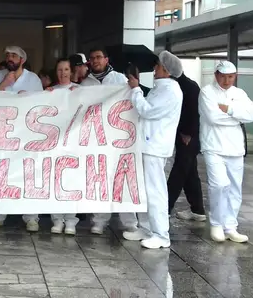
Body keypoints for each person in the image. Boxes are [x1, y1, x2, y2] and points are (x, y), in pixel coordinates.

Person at [123, 51, 183, 249]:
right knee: (144, 189)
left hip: (155, 147)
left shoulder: (170, 91)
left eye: (158, 66)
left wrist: (136, 90)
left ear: (166, 70)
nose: (155, 69)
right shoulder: (162, 88)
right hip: (148, 144)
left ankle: (161, 234)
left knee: (155, 191)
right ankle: (147, 228)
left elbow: (147, 110)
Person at [0, 46, 43, 231]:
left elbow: (41, 103)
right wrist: (4, 83)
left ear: (22, 60)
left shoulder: (33, 79)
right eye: (7, 55)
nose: (9, 58)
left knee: (28, 174)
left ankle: (31, 217)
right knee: (1, 173)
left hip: (26, 133)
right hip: (2, 132)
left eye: (14, 56)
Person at [199, 61, 253, 243]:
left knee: (234, 188)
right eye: (223, 76)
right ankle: (217, 223)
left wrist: (230, 109)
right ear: (216, 75)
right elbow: (213, 117)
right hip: (213, 146)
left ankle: (230, 226)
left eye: (230, 77)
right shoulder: (207, 92)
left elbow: (251, 115)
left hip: (235, 148)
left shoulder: (239, 93)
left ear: (235, 76)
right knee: (219, 185)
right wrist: (237, 117)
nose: (226, 81)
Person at [81, 47, 135, 234]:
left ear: (106, 59)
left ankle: (130, 221)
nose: (95, 61)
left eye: (98, 57)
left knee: (123, 178)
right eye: (92, 58)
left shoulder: (120, 79)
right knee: (100, 178)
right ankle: (99, 220)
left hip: (118, 136)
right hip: (96, 137)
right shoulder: (85, 83)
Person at [45, 58, 79, 234]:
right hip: (55, 143)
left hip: (74, 144)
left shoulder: (80, 90)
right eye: (60, 69)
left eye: (66, 69)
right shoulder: (51, 91)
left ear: (71, 71)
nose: (63, 73)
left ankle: (71, 221)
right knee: (56, 181)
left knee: (71, 182)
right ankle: (57, 220)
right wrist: (44, 95)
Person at [168, 68, 206, 222]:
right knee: (190, 174)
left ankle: (165, 207)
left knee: (179, 172)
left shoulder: (188, 86)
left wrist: (188, 133)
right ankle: (197, 209)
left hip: (188, 136)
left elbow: (194, 111)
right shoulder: (183, 84)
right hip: (186, 135)